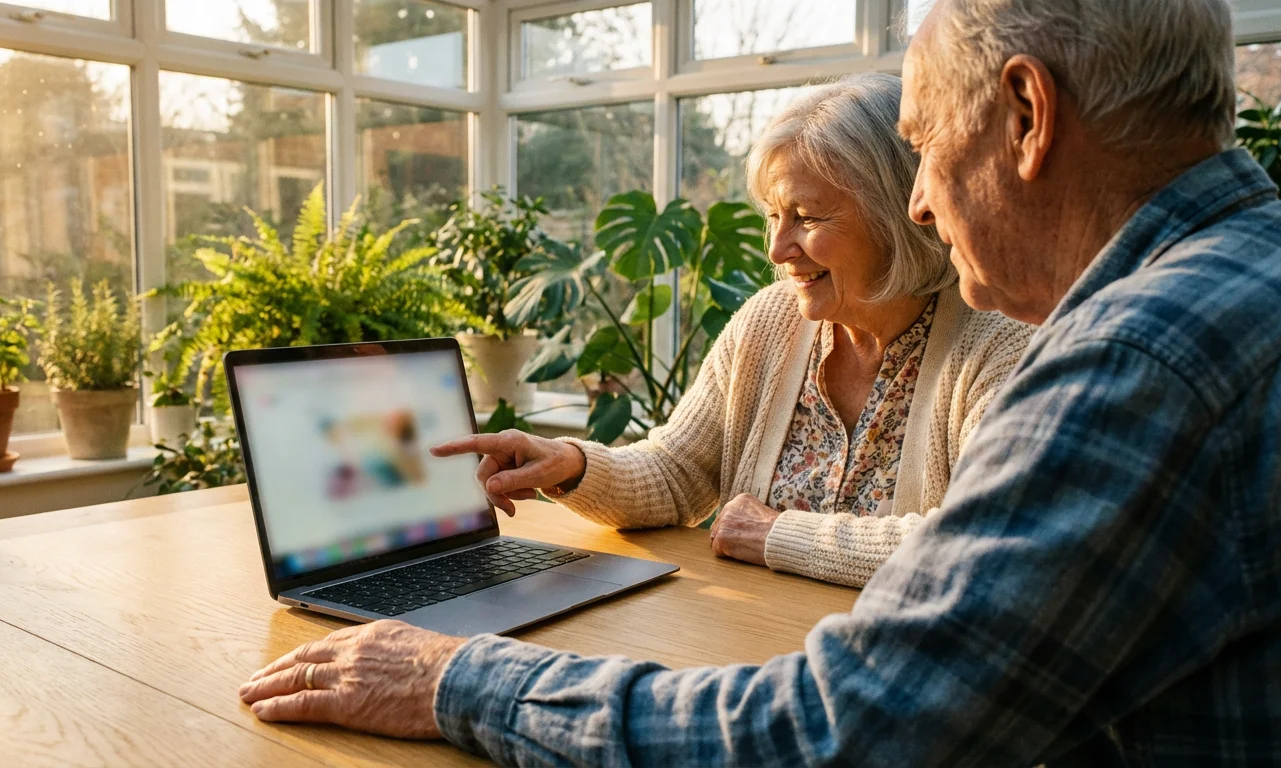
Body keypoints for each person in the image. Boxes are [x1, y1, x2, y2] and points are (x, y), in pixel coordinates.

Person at [239, 0, 1281, 764]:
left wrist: (452, 678)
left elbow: (837, 731)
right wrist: (573, 463)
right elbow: (675, 470)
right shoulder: (1272, 267)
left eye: (926, 148)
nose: (929, 205)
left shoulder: (1131, 365)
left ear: (1025, 117)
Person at [437, 73, 1033, 590]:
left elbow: (984, 541)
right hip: (750, 644)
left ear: (897, 213)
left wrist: (775, 533)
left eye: (806, 217)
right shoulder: (770, 321)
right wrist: (569, 463)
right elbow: (675, 473)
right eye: (774, 216)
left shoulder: (998, 341)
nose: (778, 247)